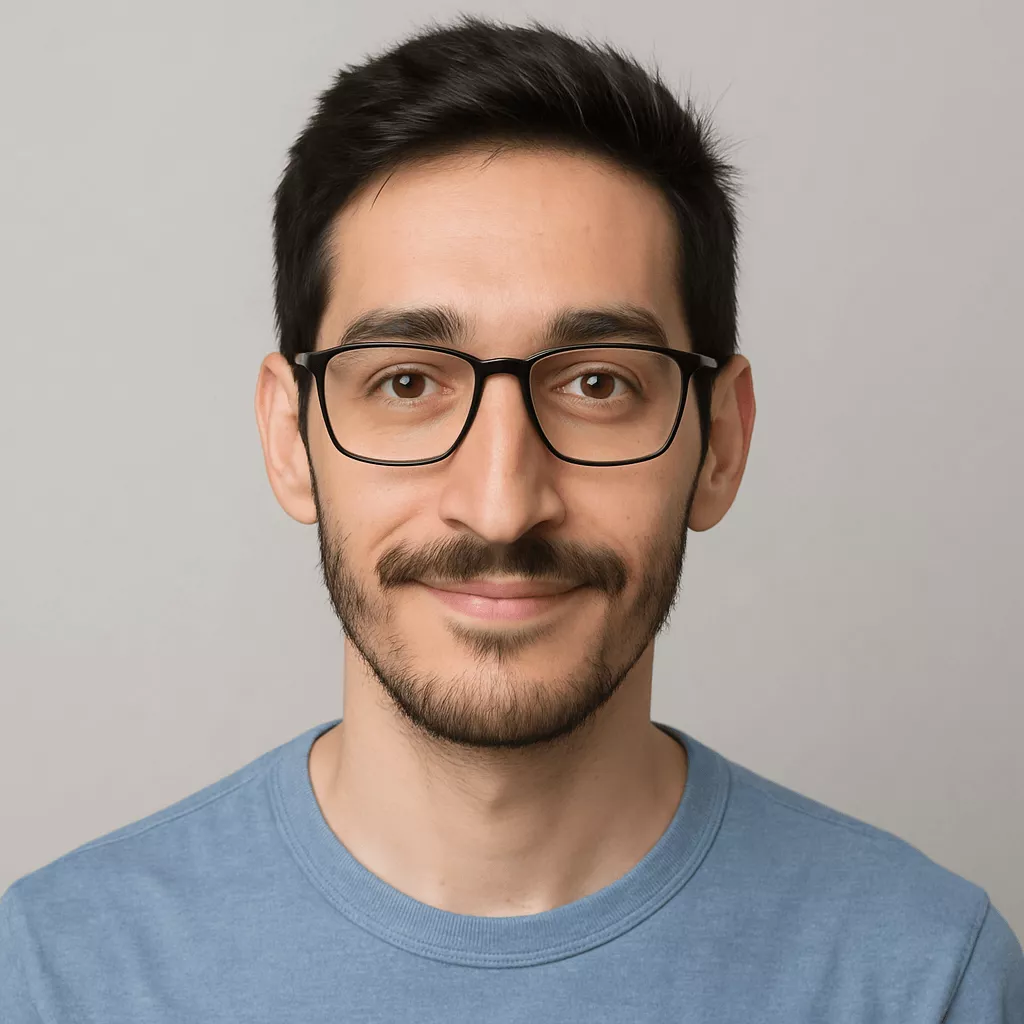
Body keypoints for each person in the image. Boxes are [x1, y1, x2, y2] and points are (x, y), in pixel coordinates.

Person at [2, 15, 1021, 1022]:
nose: (501, 501)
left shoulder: (924, 977)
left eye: (596, 382)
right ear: (289, 437)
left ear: (718, 443)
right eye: (406, 382)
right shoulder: (56, 974)